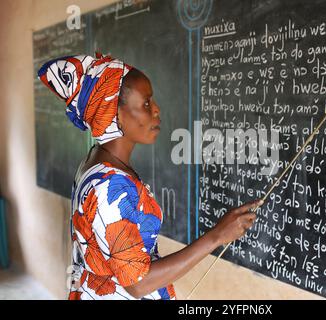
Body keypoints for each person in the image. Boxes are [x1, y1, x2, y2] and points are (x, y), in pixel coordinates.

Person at [38, 53, 263, 300]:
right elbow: (138, 283)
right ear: (115, 112)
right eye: (146, 103)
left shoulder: (101, 163)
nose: (156, 110)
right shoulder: (108, 185)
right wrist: (217, 236)